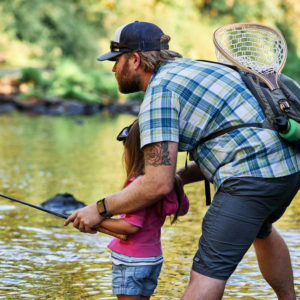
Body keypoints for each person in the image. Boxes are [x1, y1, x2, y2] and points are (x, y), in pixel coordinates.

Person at [64, 21, 300, 299]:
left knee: (208, 272)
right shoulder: (195, 69)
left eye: (116, 60)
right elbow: (237, 138)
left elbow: (156, 184)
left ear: (135, 60)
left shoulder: (160, 92)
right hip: (289, 166)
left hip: (253, 177)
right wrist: (182, 176)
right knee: (261, 228)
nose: (113, 68)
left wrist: (99, 209)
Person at [98, 119, 189, 299]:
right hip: (153, 259)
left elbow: (131, 226)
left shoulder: (139, 187)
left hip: (131, 260)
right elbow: (183, 208)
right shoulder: (169, 182)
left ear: (134, 152)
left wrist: (99, 221)